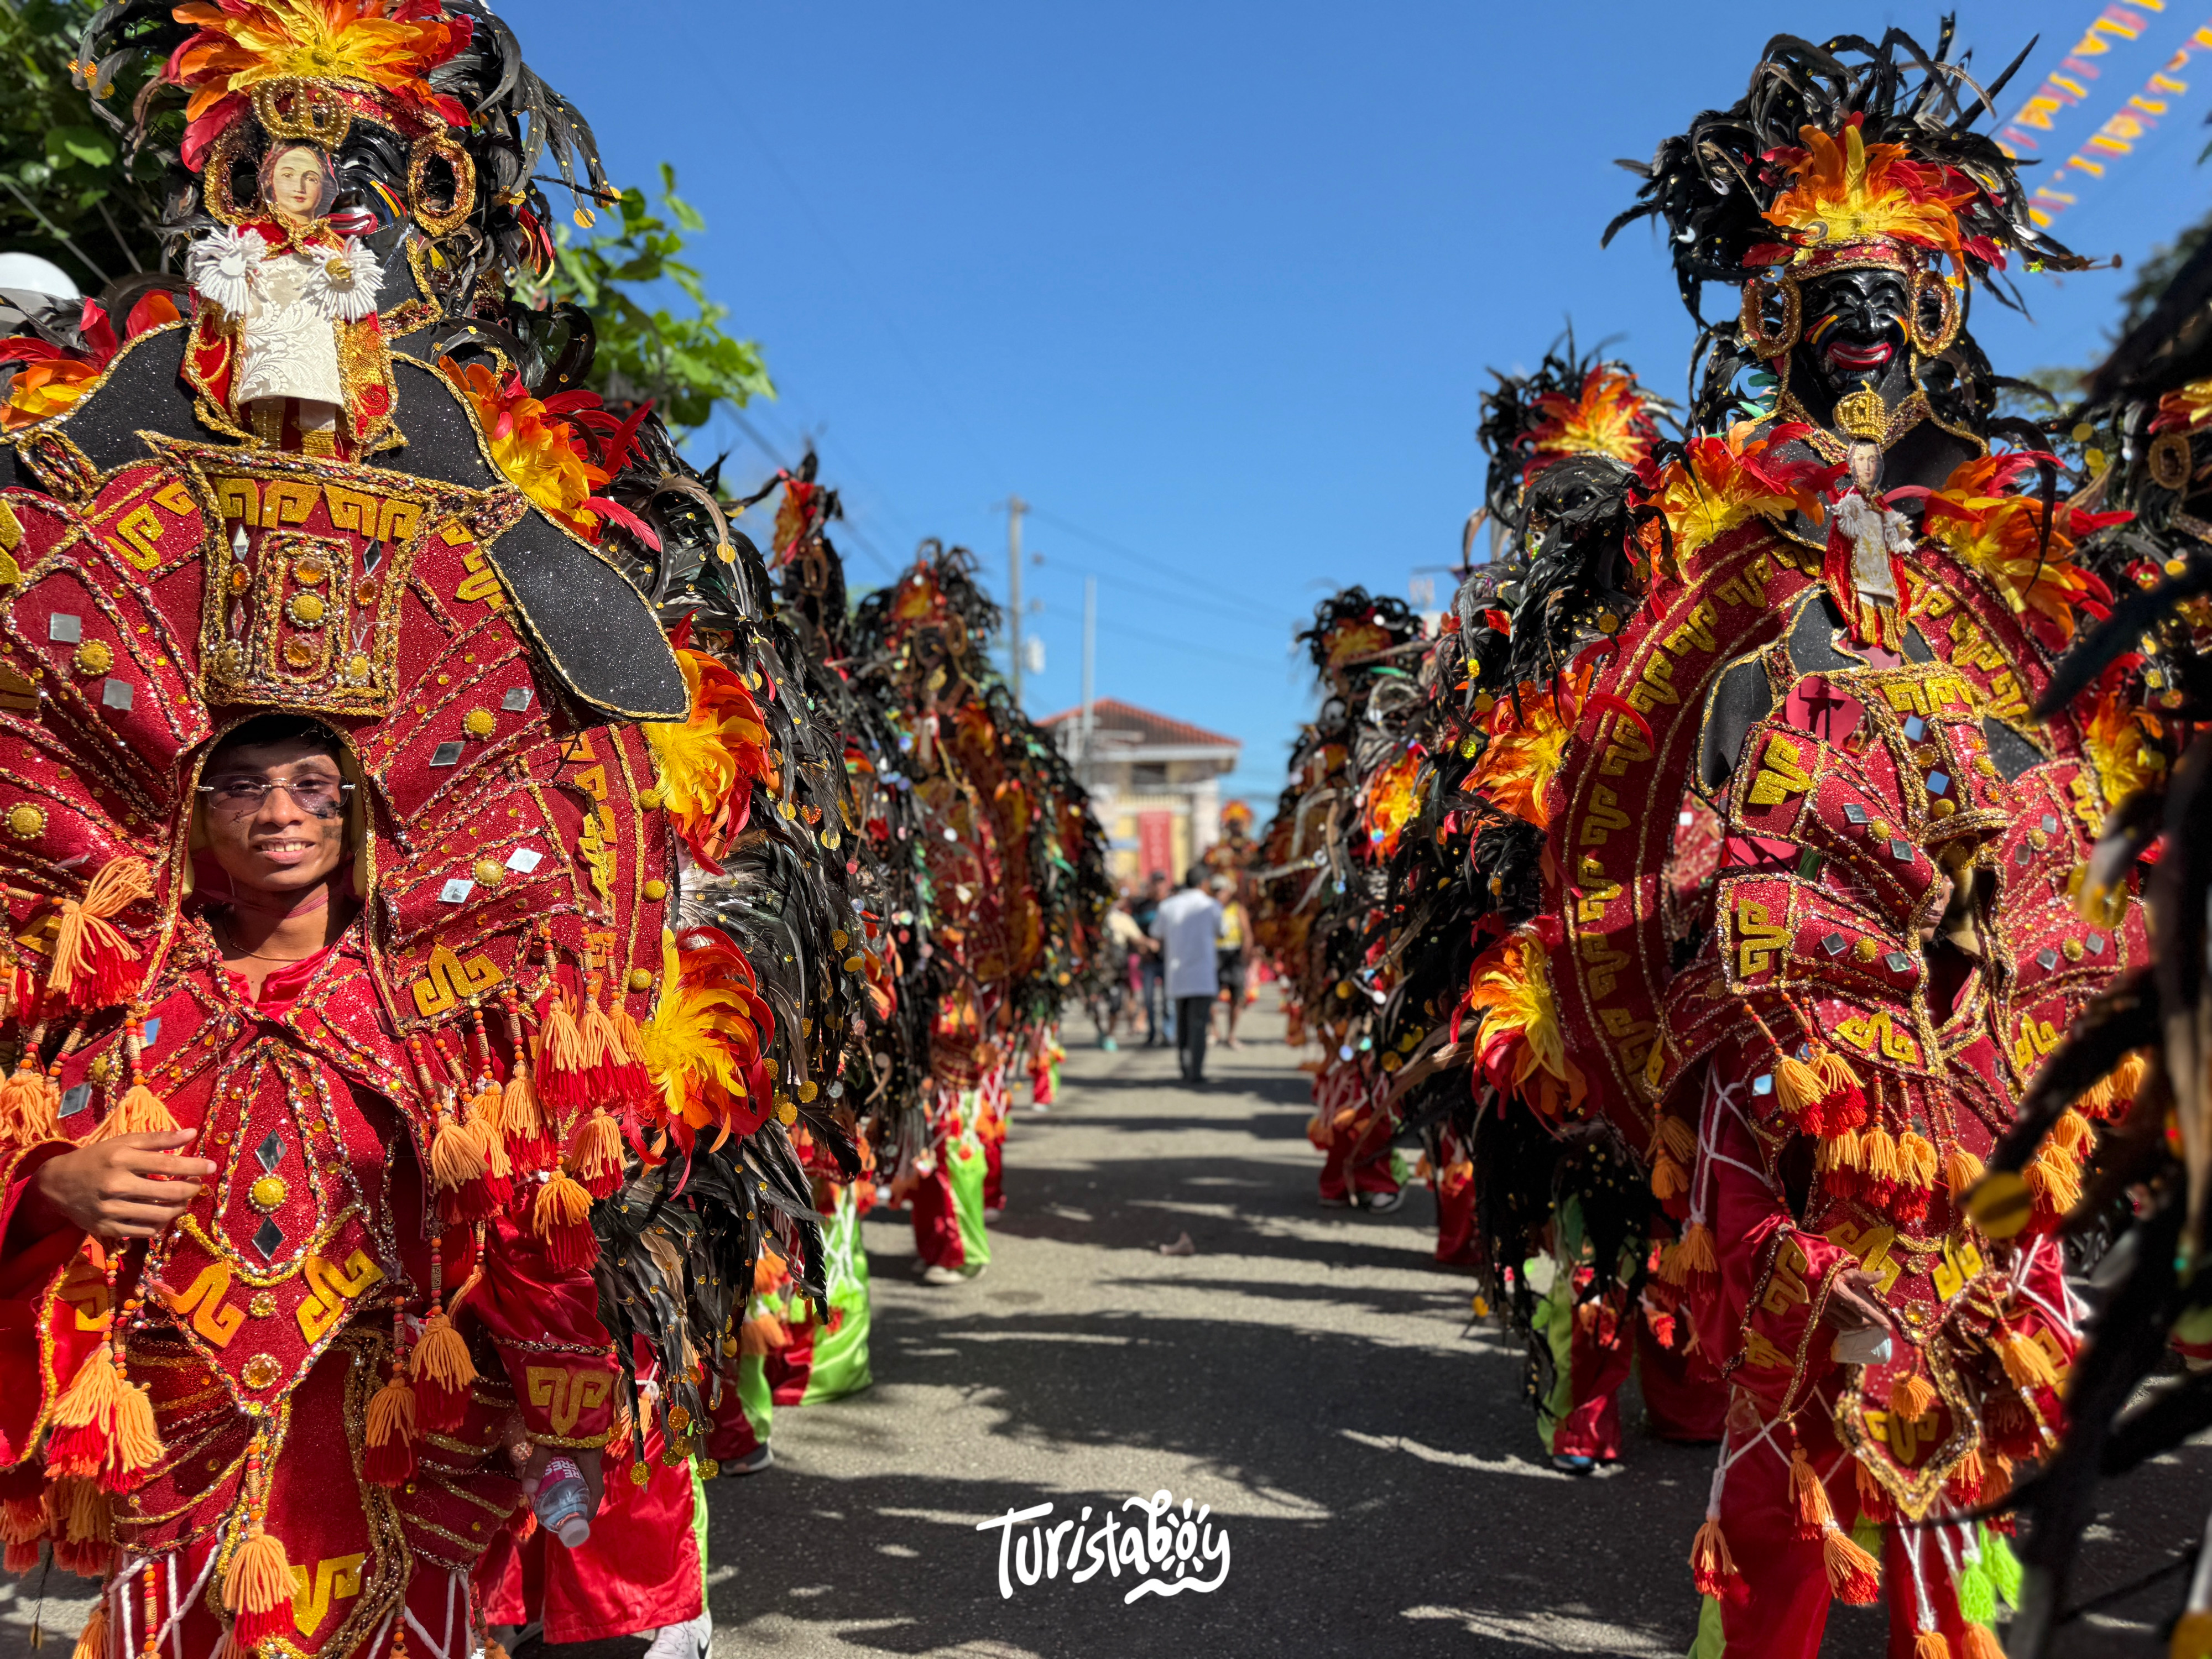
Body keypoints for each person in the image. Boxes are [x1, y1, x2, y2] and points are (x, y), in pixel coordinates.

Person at [1149, 867, 1223, 1085]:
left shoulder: (1168, 906)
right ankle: (1196, 1071)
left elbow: (1155, 933)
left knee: (1182, 1023)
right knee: (1199, 1024)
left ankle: (1185, 1067)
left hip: (1177, 974)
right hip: (1202, 975)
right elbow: (1223, 931)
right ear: (1203, 884)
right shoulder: (1211, 905)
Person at [1098, 896, 1149, 1050]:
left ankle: (1110, 1035)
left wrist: (1151, 945)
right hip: (1094, 967)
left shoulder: (1122, 919)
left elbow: (1137, 937)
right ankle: (1102, 1031)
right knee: (1093, 1003)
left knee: (1116, 1002)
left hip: (1115, 968)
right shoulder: (1092, 918)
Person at [1131, 872, 1171, 1046]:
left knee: (1168, 1001)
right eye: (1156, 883)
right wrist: (1144, 946)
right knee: (1148, 999)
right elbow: (1134, 932)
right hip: (1149, 961)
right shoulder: (1142, 907)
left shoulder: (1172, 905)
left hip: (1168, 960)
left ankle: (1168, 1034)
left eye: (1162, 883)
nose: (1159, 887)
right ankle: (1152, 1034)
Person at [1209, 875, 1250, 1048]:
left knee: (1237, 997)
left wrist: (1246, 956)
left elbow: (1247, 933)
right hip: (1214, 954)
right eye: (1216, 890)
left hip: (1233, 954)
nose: (1219, 894)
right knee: (1211, 996)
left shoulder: (1237, 909)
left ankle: (1231, 1035)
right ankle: (1214, 1030)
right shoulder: (1209, 909)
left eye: (1222, 890)